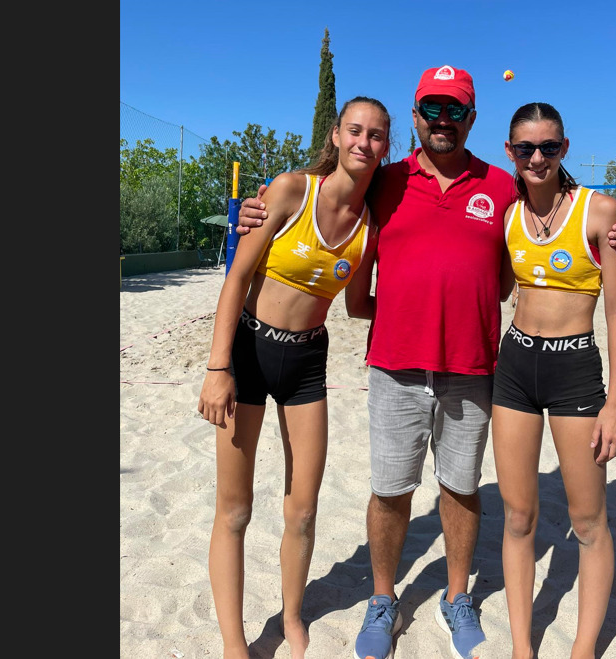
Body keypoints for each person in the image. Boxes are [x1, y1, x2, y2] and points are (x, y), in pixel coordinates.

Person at [236, 66, 616, 659]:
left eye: (455, 110)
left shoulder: (500, 186)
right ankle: (382, 598)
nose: (442, 120)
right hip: (395, 364)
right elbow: (327, 193)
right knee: (389, 491)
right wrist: (259, 206)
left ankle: (456, 596)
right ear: (416, 115)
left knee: (461, 488)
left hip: (472, 368)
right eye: (432, 109)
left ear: (472, 119)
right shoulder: (386, 180)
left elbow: (550, 225)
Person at [197, 96, 390, 659]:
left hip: (307, 361)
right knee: (235, 509)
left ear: (385, 146)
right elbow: (237, 278)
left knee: (302, 510)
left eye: (376, 135)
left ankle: (292, 616)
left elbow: (359, 305)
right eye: (354, 130)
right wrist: (218, 367)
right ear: (335, 135)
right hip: (248, 352)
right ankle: (235, 643)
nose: (364, 142)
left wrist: (423, 303)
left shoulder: (369, 226)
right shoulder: (290, 191)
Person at [492, 101, 616, 659]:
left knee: (588, 521)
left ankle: (582, 648)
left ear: (564, 148)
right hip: (515, 368)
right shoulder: (506, 213)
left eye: (548, 147)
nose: (537, 158)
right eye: (526, 148)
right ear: (510, 152)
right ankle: (522, 647)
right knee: (518, 516)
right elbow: (493, 282)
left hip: (575, 369)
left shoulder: (600, 211)